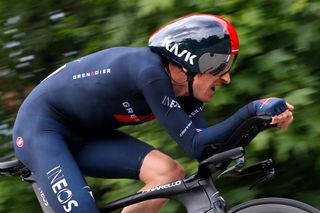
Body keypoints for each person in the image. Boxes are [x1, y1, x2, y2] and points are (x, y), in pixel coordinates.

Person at [12, 14, 294, 213]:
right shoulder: (150, 74)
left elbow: (208, 151)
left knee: (168, 173)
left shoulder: (185, 91)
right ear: (187, 63)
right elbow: (197, 144)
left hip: (85, 136)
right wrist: (252, 109)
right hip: (41, 130)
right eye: (219, 66)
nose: (226, 78)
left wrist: (260, 121)